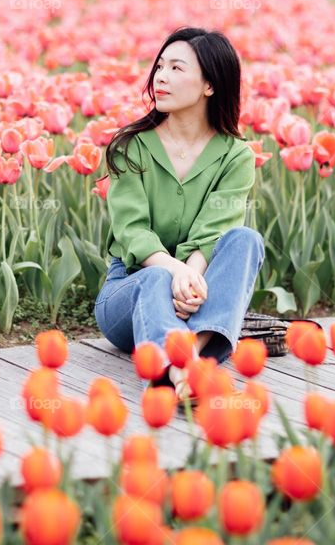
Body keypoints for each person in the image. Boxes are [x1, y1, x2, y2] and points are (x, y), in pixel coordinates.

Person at [94, 26, 265, 398]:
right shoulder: (130, 147)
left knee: (245, 239)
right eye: (160, 67)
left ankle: (195, 358)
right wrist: (176, 272)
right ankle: (169, 373)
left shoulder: (236, 157)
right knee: (156, 278)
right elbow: (132, 231)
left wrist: (192, 282)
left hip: (196, 294)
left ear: (209, 85)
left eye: (176, 68)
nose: (161, 78)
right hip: (131, 289)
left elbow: (214, 231)